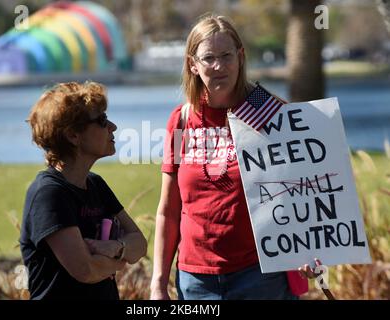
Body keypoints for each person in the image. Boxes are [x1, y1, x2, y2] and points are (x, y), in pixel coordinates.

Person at [150, 15, 316, 300]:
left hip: (260, 276)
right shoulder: (181, 119)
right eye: (208, 58)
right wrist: (158, 284)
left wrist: (309, 250)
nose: (218, 66)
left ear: (241, 57)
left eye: (226, 55)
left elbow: (305, 188)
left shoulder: (269, 111)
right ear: (193, 64)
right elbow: (168, 209)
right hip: (195, 281)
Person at [20, 81, 147, 300]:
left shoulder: (95, 184)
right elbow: (86, 270)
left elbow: (140, 243)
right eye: (102, 120)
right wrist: (122, 259)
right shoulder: (49, 194)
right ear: (73, 136)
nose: (113, 127)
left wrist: (115, 247)